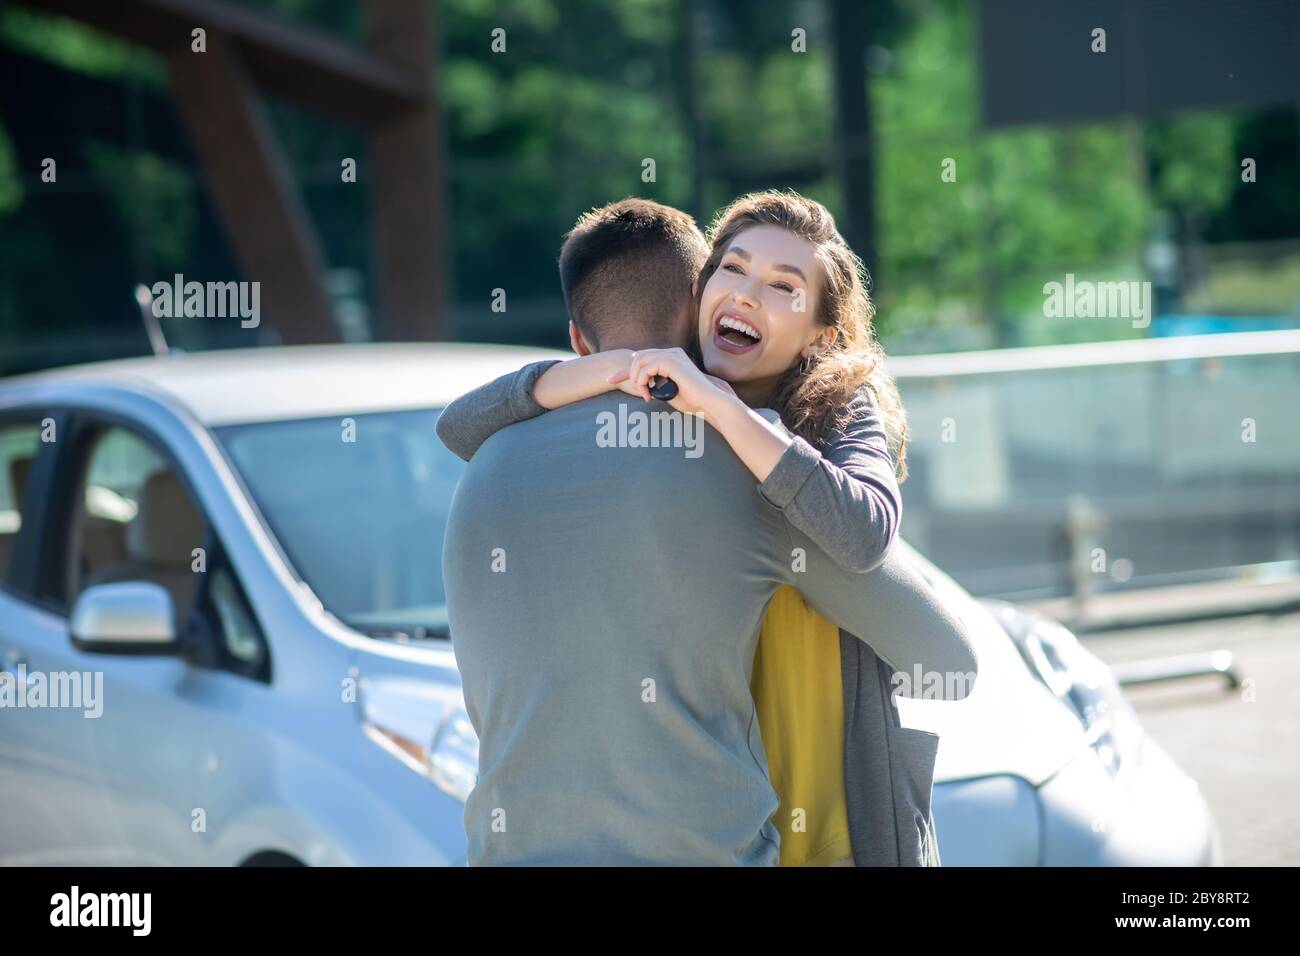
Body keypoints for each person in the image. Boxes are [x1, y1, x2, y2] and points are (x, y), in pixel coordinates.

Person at [438, 197, 977, 865]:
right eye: (734, 269)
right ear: (696, 305)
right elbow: (948, 658)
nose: (749, 296)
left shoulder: (486, 469)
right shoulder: (732, 475)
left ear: (822, 335)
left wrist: (708, 405)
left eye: (784, 286)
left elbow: (863, 531)